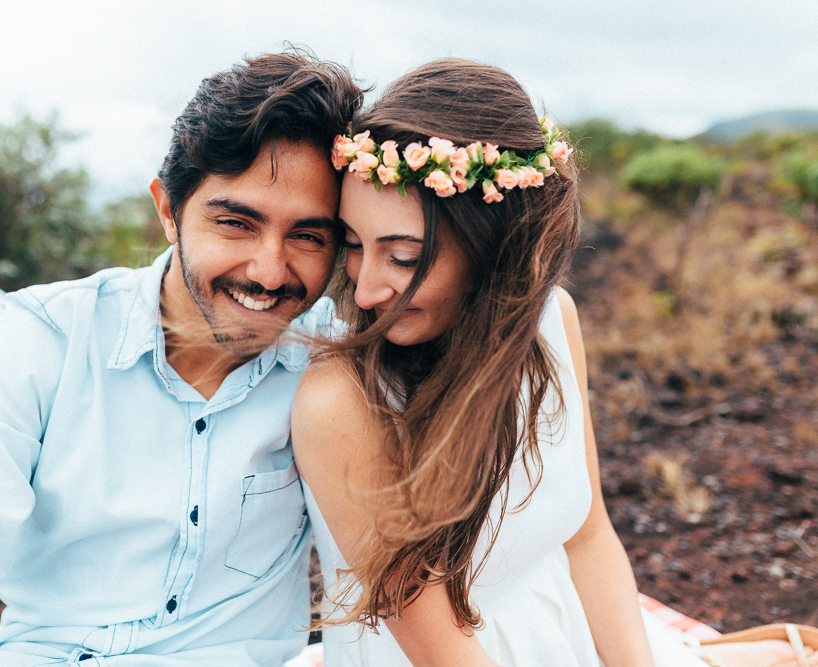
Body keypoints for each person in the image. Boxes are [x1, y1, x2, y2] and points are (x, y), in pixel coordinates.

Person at [0, 49, 363, 667]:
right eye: (237, 224)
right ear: (168, 210)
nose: (269, 270)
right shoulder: (42, 341)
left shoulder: (340, 363)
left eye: (308, 236)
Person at [292, 59, 818, 667]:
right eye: (354, 246)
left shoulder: (552, 322)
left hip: (565, 638)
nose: (365, 291)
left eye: (405, 258)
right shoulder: (342, 401)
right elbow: (442, 653)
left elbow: (589, 536)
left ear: (494, 250)